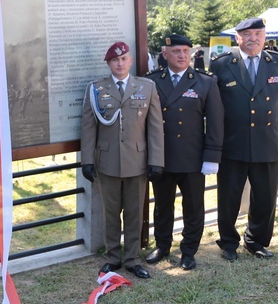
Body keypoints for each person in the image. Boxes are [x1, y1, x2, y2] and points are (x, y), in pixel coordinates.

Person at [80, 41, 164, 279]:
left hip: (137, 162)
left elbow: (155, 127)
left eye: (124, 58)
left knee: (135, 213)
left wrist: (156, 160)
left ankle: (132, 259)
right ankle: (113, 257)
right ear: (109, 63)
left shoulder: (146, 87)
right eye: (115, 60)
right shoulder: (96, 89)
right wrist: (87, 160)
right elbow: (88, 128)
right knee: (110, 212)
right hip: (106, 163)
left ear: (130, 60)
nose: (120, 63)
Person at [145, 34, 224, 270]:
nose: (181, 56)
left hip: (192, 157)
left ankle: (189, 250)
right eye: (176, 52)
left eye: (185, 52)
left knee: (193, 207)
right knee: (162, 205)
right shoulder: (151, 81)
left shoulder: (204, 82)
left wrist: (212, 156)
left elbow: (216, 121)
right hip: (162, 156)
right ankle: (162, 245)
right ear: (165, 54)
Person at [209, 17, 278, 261]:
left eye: (258, 33)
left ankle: (256, 241)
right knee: (229, 196)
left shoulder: (275, 63)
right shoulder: (221, 65)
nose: (253, 38)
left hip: (268, 142)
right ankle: (228, 242)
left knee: (266, 197)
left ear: (264, 36)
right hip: (232, 143)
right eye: (247, 34)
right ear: (237, 38)